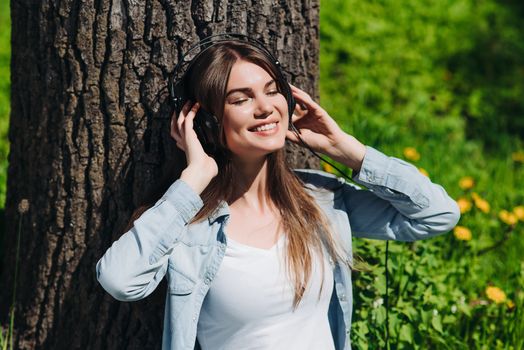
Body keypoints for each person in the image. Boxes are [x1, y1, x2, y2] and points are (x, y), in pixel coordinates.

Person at [96, 37, 460, 350]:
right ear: (206, 123)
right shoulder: (185, 223)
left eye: (272, 91)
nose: (265, 107)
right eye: (241, 99)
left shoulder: (322, 200)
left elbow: (439, 214)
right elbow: (120, 280)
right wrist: (193, 180)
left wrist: (346, 149)